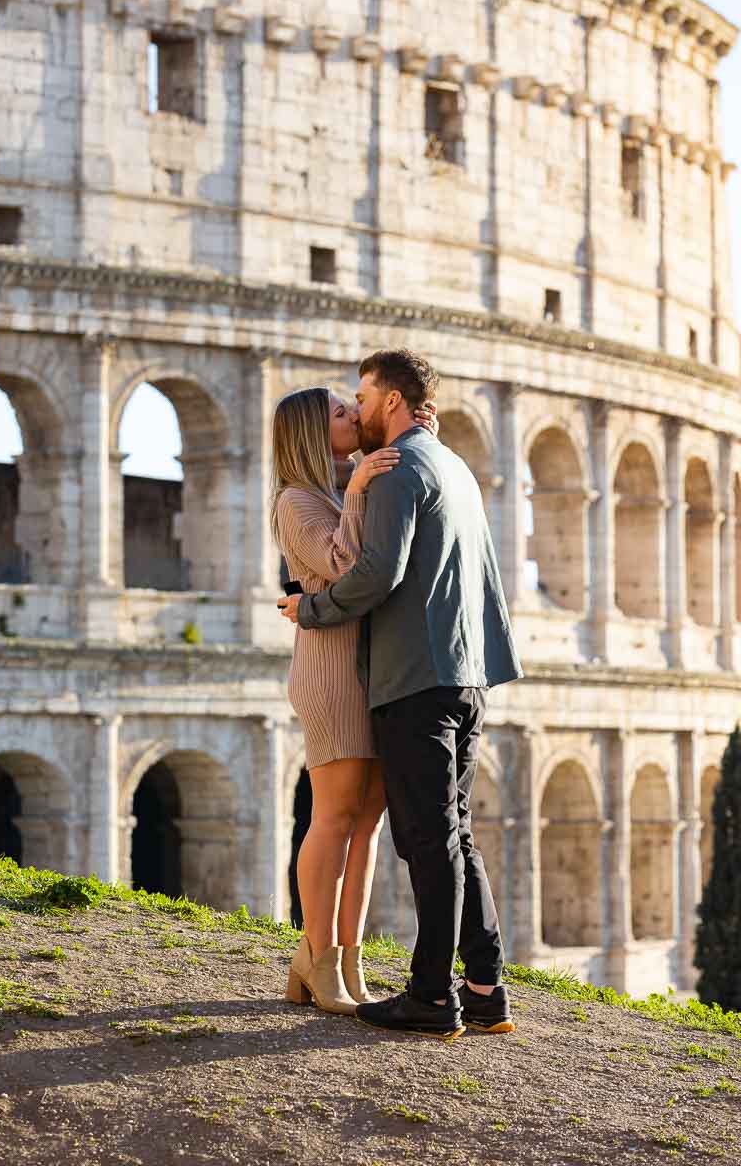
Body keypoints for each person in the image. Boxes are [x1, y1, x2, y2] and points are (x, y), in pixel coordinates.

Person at [278, 348, 522, 1042]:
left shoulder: (391, 471)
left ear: (391, 400)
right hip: (467, 672)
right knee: (456, 834)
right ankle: (484, 988)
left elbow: (375, 573)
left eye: (360, 395)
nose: (355, 409)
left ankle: (430, 997)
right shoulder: (452, 465)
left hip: (416, 677)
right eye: (341, 405)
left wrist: (311, 609)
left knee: (430, 838)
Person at [271, 385, 438, 1016]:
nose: (356, 417)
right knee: (334, 816)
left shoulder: (347, 486)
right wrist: (361, 489)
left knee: (366, 823)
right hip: (331, 672)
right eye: (343, 413)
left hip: (371, 670)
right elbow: (343, 564)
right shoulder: (297, 500)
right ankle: (315, 956)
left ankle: (346, 959)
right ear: (315, 433)